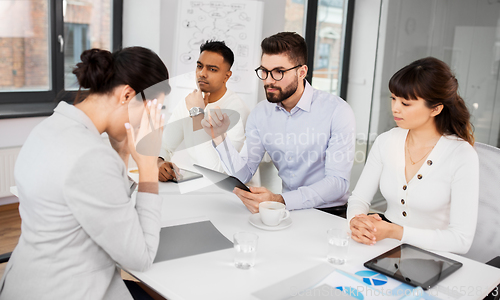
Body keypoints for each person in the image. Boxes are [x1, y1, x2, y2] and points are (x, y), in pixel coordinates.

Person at [0, 47, 169, 300]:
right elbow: (140, 257)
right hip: (65, 290)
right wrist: (147, 169)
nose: (144, 126)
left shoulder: (50, 127)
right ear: (126, 95)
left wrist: (121, 153)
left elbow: (103, 204)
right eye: (149, 114)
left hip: (26, 277)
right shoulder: (90, 156)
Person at [201, 32, 356, 214]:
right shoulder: (260, 114)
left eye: (278, 72)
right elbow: (243, 174)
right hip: (287, 211)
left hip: (329, 211)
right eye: (264, 71)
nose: (268, 80)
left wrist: (280, 199)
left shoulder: (337, 111)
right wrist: (220, 138)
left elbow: (338, 183)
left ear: (302, 72)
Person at [347, 57, 478, 254]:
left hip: (434, 257)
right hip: (384, 248)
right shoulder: (386, 141)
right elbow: (358, 199)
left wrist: (395, 231)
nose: (395, 108)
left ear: (436, 108)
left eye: (405, 103)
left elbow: (461, 240)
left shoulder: (461, 155)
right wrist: (357, 221)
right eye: (393, 98)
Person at [158, 40, 250, 181]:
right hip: (196, 183)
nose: (202, 73)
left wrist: (197, 115)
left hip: (227, 190)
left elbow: (217, 172)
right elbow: (165, 145)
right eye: (199, 66)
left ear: (227, 76)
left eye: (212, 69)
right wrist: (159, 161)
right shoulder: (190, 101)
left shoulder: (236, 110)